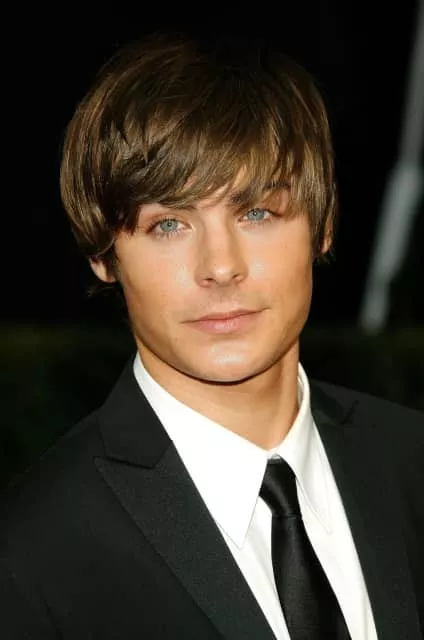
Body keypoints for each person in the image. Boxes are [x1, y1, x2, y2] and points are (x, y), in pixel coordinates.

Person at [1, 31, 423, 640]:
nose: (220, 266)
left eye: (257, 213)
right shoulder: (33, 555)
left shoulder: (410, 466)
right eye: (169, 224)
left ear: (323, 224)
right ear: (103, 254)